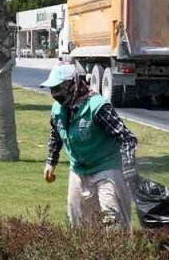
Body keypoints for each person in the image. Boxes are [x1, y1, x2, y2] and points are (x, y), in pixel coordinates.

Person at [39, 64, 139, 229]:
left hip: (107, 168)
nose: (55, 93)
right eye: (53, 88)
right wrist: (51, 162)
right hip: (78, 170)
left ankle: (117, 253)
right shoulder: (58, 110)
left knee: (113, 224)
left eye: (59, 87)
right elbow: (56, 135)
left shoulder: (98, 107)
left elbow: (127, 139)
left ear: (74, 84)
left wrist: (128, 168)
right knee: (79, 225)